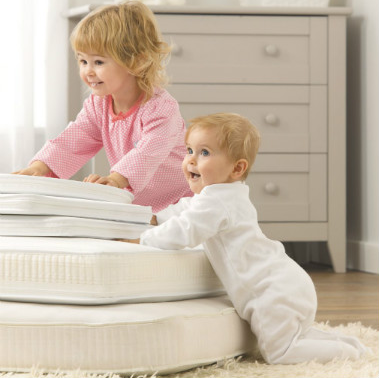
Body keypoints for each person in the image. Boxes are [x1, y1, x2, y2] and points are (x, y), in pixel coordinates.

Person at [135, 112, 367, 364]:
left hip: (272, 291)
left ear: (237, 168)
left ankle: (349, 354)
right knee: (296, 338)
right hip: (285, 283)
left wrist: (143, 240)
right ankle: (348, 345)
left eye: (204, 153)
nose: (191, 160)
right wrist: (153, 218)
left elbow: (186, 230)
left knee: (280, 353)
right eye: (189, 150)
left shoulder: (218, 201)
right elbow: (184, 211)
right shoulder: (220, 196)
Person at [14, 1, 192, 212]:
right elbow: (74, 141)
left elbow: (147, 154)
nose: (88, 71)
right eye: (83, 61)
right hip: (137, 202)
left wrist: (117, 179)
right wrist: (40, 167)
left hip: (181, 203)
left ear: (136, 62)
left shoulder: (160, 109)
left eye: (98, 62)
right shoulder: (99, 105)